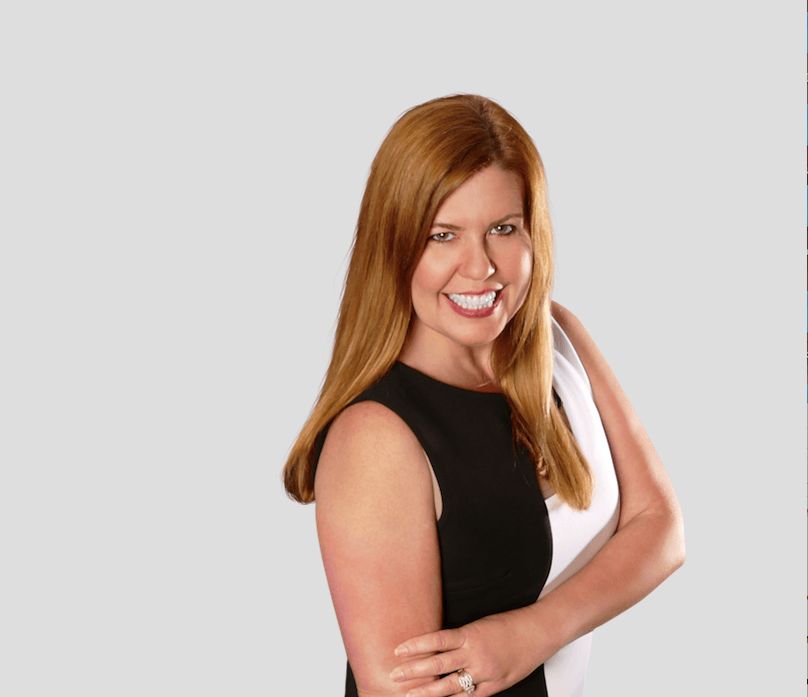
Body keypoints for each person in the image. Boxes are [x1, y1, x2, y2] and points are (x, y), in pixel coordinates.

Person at [282, 94, 684, 697]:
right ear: (394, 245)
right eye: (443, 235)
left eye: (503, 229)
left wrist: (531, 634)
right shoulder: (376, 438)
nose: (480, 268)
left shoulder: (559, 336)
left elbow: (661, 528)